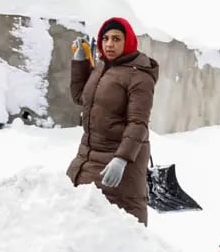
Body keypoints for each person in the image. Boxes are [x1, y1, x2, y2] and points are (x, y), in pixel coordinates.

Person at [66, 17, 159, 226]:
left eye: (116, 39)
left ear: (128, 41)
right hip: (88, 156)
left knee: (121, 223)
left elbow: (138, 123)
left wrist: (121, 159)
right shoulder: (103, 67)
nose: (109, 44)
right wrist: (80, 62)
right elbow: (82, 98)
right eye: (105, 38)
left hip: (119, 160)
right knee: (82, 220)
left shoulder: (140, 77)